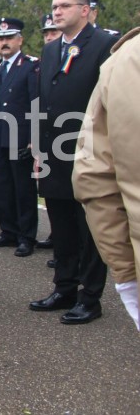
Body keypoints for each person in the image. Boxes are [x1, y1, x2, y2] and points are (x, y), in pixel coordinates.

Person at [30, 0, 115, 325]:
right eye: (54, 6)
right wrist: (38, 147)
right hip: (54, 152)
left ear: (85, 10)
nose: (57, 11)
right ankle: (64, 287)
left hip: (90, 152)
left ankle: (90, 297)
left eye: (65, 5)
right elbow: (43, 102)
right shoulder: (51, 50)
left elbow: (112, 100)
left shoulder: (106, 45)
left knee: (90, 227)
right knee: (61, 224)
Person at [73, 25, 140, 330]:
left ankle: (87, 294)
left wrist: (126, 276)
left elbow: (96, 181)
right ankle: (66, 285)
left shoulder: (124, 57)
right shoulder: (126, 59)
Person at [0, 18, 40, 257]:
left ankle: (26, 237)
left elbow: (36, 104)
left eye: (8, 38)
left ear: (19, 40)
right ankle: (8, 231)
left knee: (23, 190)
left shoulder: (30, 67)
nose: (3, 43)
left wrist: (34, 138)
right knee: (2, 188)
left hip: (21, 137)